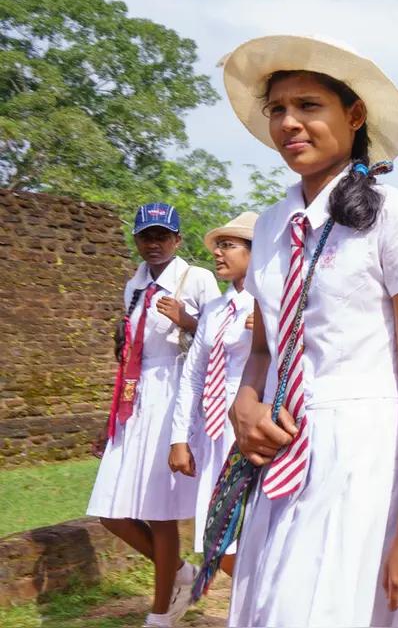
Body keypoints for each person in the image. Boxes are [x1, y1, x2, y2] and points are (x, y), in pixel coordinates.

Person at [219, 35, 398, 626]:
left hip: (365, 454)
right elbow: (264, 347)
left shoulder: (393, 215)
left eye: (309, 106)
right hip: (284, 449)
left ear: (354, 114)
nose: (290, 123)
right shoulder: (270, 226)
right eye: (277, 110)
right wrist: (245, 404)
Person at [87, 203, 220, 628]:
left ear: (177, 240)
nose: (154, 243)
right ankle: (182, 572)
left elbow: (224, 337)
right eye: (146, 236)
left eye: (163, 235)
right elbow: (128, 355)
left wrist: (189, 320)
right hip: (136, 398)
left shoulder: (195, 279)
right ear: (137, 240)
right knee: (112, 509)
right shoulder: (134, 286)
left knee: (161, 510)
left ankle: (161, 614)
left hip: (175, 395)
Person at [168, 211, 258, 576]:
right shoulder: (215, 310)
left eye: (229, 245)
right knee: (220, 540)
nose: (218, 253)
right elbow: (193, 375)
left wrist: (276, 330)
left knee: (251, 532)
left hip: (251, 431)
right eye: (217, 246)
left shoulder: (272, 305)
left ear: (257, 252)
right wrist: (179, 438)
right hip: (214, 430)